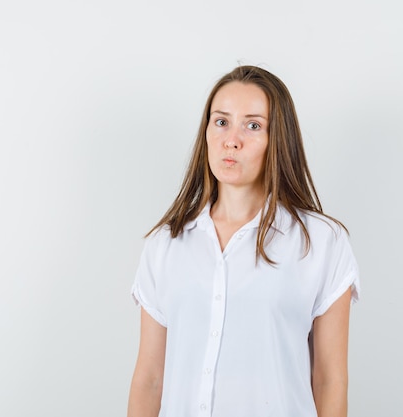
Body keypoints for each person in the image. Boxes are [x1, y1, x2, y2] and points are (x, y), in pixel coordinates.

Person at [127, 65, 360, 417]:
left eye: (253, 125)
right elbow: (150, 379)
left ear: (277, 140)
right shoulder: (165, 244)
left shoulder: (321, 243)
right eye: (221, 121)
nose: (231, 139)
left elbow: (329, 379)